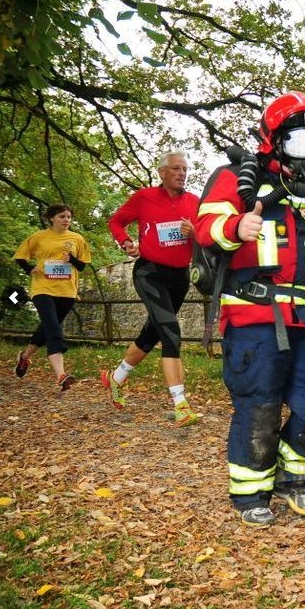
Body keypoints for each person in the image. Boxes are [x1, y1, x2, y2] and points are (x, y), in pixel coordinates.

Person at [194, 91, 305, 527]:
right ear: (276, 139)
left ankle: (295, 480)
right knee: (259, 405)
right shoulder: (235, 178)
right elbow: (204, 229)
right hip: (254, 314)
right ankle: (250, 493)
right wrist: (236, 226)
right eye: (297, 139)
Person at [100, 151, 201, 427]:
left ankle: (116, 377)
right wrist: (126, 242)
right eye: (176, 168)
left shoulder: (194, 202)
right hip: (150, 272)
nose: (182, 173)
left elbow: (206, 234)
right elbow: (116, 222)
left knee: (152, 332)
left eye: (185, 169)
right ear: (162, 172)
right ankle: (181, 405)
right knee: (171, 332)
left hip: (179, 277)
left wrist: (194, 233)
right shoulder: (144, 197)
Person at [12, 204, 93, 391]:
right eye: (62, 216)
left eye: (69, 217)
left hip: (67, 291)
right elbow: (20, 256)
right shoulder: (39, 237)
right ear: (51, 218)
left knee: (45, 330)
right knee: (54, 330)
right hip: (43, 289)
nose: (66, 220)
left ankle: (24, 357)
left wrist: (71, 259)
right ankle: (61, 375)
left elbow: (82, 267)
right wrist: (29, 269)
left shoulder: (77, 238)